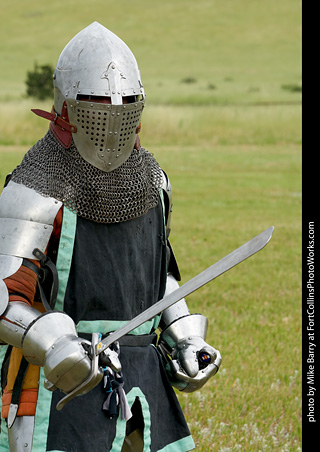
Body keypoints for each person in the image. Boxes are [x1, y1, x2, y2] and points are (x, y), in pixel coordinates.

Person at [0, 22, 221, 452]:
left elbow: (158, 276)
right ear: (66, 108)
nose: (111, 122)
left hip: (143, 382)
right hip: (60, 384)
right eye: (98, 105)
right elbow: (4, 300)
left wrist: (183, 335)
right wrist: (50, 341)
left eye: (125, 106)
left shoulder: (152, 182)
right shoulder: (33, 191)